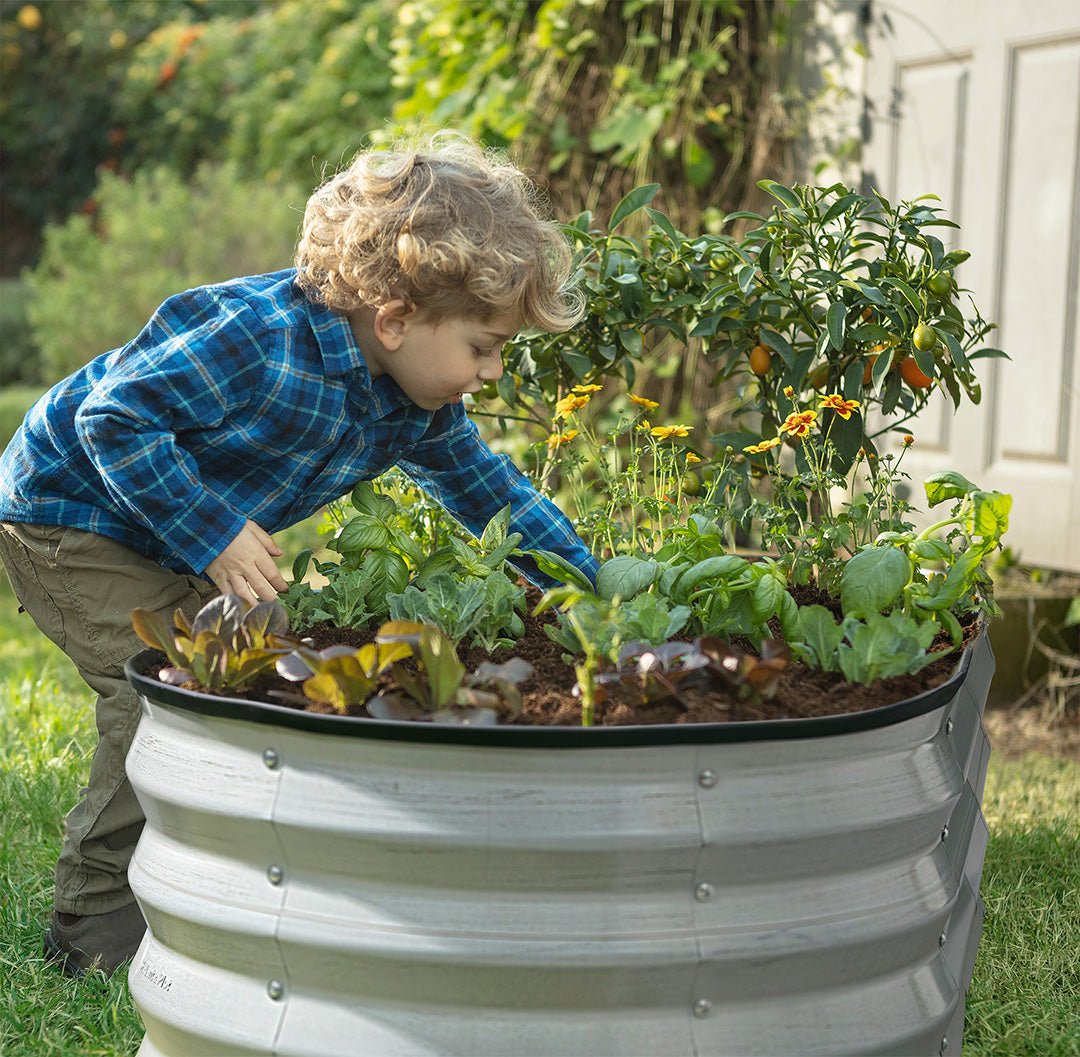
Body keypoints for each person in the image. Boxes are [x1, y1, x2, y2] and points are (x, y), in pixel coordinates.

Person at [0, 132, 599, 976]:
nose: (491, 373)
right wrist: (209, 531)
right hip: (70, 513)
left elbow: (491, 495)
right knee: (166, 690)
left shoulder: (413, 406)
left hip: (161, 522)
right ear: (394, 320)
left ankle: (216, 865)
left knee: (264, 654)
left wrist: (589, 585)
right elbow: (113, 421)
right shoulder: (255, 338)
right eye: (483, 346)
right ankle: (92, 920)